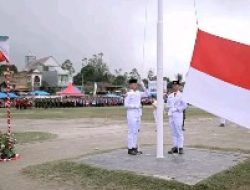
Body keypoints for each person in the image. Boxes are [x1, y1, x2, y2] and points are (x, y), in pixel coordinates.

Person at [124, 78, 147, 155]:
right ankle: (130, 148)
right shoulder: (128, 94)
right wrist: (135, 106)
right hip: (131, 114)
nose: (136, 85)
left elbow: (147, 94)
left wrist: (143, 85)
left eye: (136, 84)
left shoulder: (138, 93)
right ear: (130, 85)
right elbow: (126, 105)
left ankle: (134, 147)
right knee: (131, 131)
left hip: (138, 114)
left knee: (136, 131)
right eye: (134, 84)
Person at [166, 81, 187, 154]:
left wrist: (177, 109)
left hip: (178, 115)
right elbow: (168, 105)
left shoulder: (181, 95)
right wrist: (168, 109)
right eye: (174, 85)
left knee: (179, 131)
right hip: (171, 115)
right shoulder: (170, 95)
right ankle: (175, 146)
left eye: (176, 85)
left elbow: (184, 105)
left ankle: (180, 147)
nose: (175, 87)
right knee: (173, 132)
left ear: (178, 86)